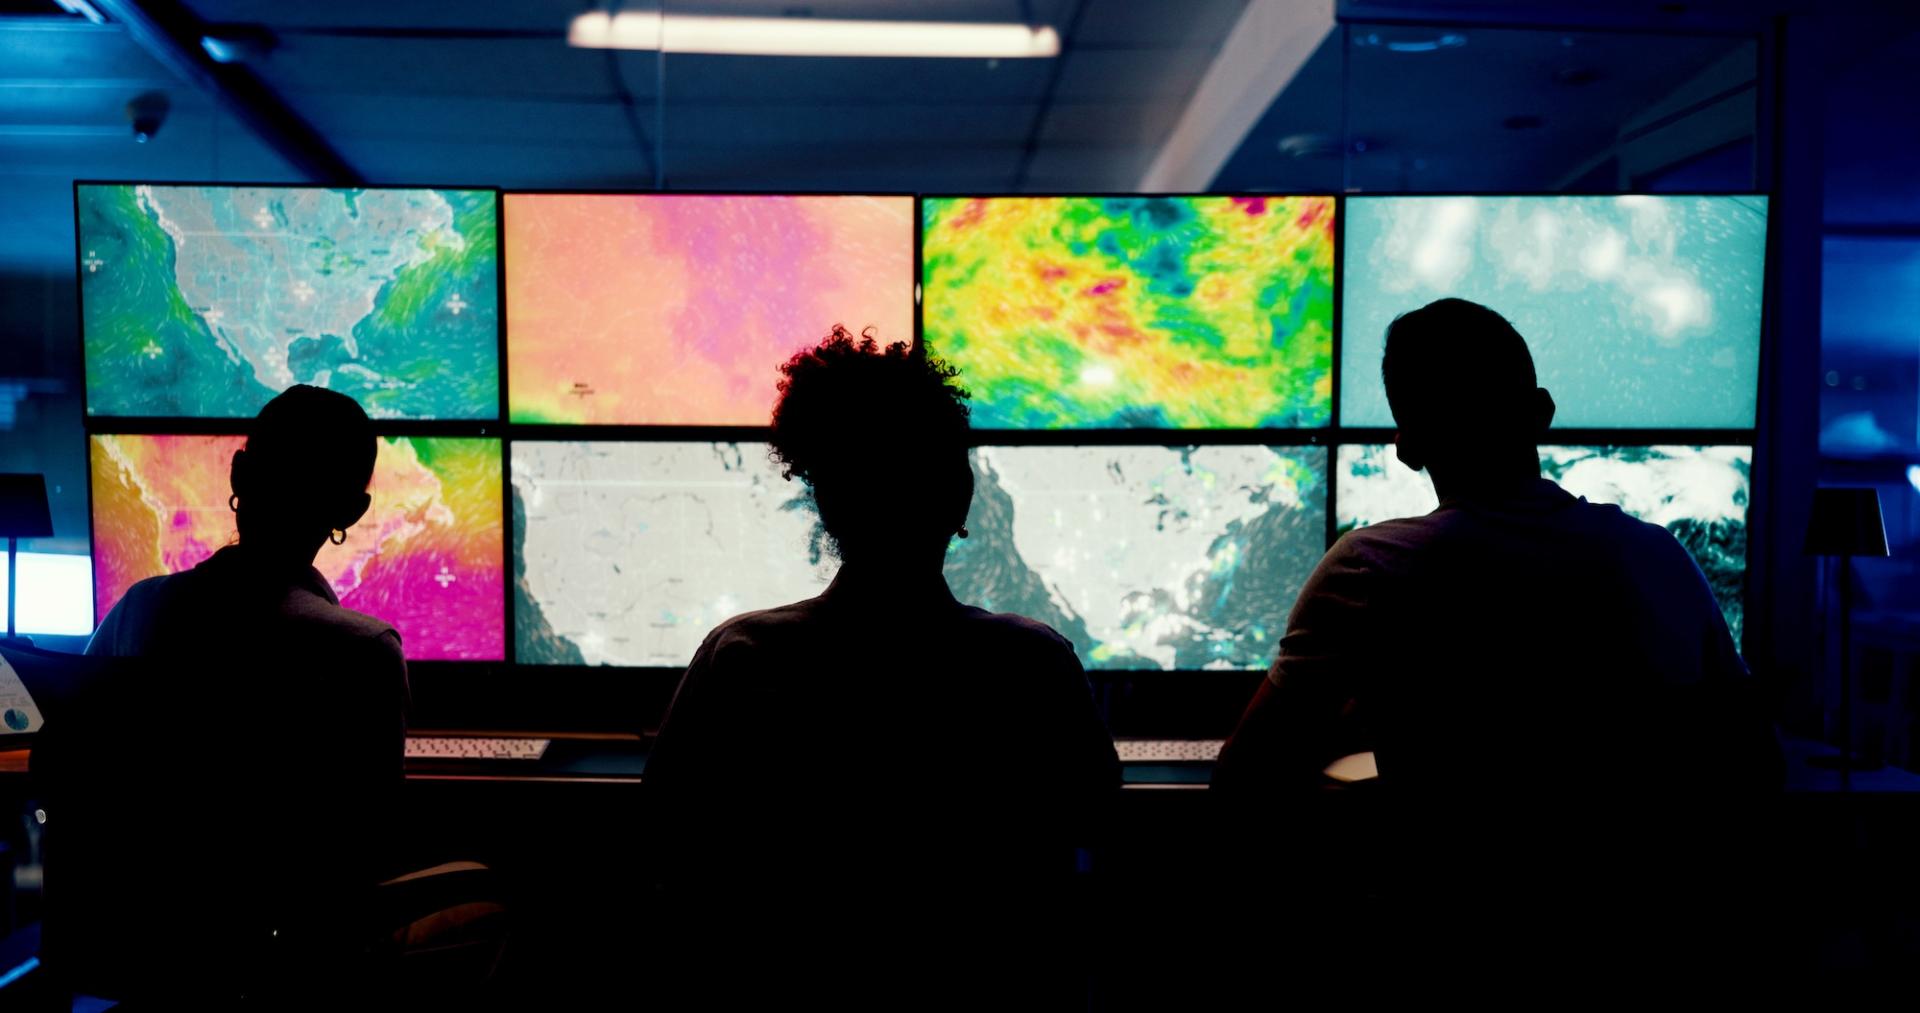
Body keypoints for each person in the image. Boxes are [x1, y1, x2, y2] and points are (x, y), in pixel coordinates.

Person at [1211, 298, 1781, 970]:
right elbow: (1758, 765)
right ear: (1542, 411)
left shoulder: (1369, 568)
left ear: (1406, 444)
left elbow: (1245, 782)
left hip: (1451, 948)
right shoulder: (1660, 557)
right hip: (1648, 950)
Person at [645, 326, 1120, 997]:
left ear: (825, 499)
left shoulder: (740, 659)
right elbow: (1095, 832)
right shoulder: (1035, 666)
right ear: (960, 496)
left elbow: (669, 850)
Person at [69, 385, 420, 999]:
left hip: (142, 960)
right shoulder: (361, 651)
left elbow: (72, 776)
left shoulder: (135, 611)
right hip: (285, 978)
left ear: (239, 472)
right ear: (353, 511)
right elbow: (368, 851)